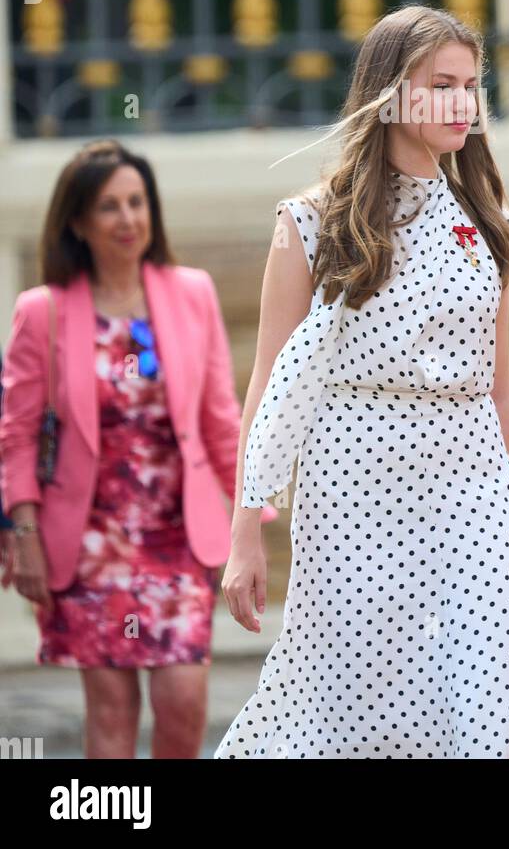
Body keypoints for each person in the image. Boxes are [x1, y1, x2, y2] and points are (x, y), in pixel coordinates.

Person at [215, 4, 509, 759]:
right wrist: (246, 532)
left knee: (480, 712)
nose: (464, 103)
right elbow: (270, 379)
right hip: (353, 492)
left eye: (472, 86)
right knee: (356, 709)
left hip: (473, 493)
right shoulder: (310, 223)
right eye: (442, 85)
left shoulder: (488, 221)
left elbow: (500, 391)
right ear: (393, 93)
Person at [0, 138, 275, 758]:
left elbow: (219, 419)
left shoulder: (191, 294)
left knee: (183, 700)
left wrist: (247, 519)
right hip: (88, 542)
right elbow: (15, 434)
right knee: (112, 713)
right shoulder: (42, 312)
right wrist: (24, 533)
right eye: (108, 207)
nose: (128, 219)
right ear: (77, 222)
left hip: (176, 537)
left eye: (136, 202)